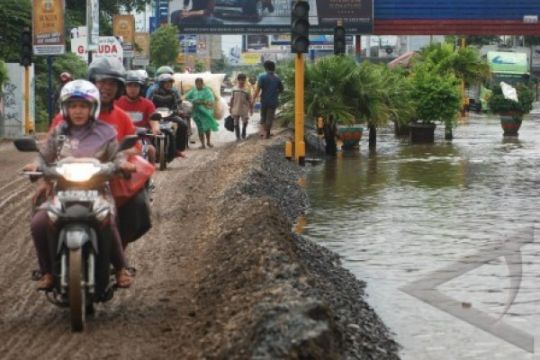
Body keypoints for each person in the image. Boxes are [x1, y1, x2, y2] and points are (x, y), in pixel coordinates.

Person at [25, 80, 135, 289]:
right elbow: (44, 156)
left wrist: (123, 164)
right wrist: (35, 165)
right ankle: (47, 272)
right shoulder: (59, 131)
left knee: (107, 220)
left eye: (83, 106)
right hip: (62, 191)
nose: (78, 111)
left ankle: (121, 268)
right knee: (39, 223)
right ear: (65, 108)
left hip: (97, 191)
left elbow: (117, 155)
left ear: (92, 108)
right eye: (73, 106)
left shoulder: (106, 132)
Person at [51, 58, 152, 250]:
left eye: (112, 83)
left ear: (119, 88)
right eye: (102, 82)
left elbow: (135, 146)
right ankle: (49, 262)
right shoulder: (69, 113)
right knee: (42, 212)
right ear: (92, 83)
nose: (106, 87)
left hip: (110, 176)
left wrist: (120, 156)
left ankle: (119, 251)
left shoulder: (121, 116)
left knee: (137, 205)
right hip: (69, 178)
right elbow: (50, 145)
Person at [116, 70, 160, 163]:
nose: (133, 89)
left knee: (151, 150)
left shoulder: (148, 104)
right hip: (121, 139)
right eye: (130, 85)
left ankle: (149, 176)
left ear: (141, 88)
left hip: (142, 138)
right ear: (125, 88)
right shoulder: (116, 103)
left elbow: (153, 119)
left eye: (136, 86)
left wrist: (155, 128)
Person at [149, 73, 189, 158]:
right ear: (161, 84)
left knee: (183, 125)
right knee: (146, 128)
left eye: (170, 83)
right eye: (166, 83)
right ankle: (146, 148)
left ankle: (178, 149)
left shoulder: (174, 93)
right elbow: (149, 104)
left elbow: (177, 105)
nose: (168, 84)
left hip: (170, 115)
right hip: (156, 116)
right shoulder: (153, 93)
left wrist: (178, 111)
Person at [252, 60, 283, 139]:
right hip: (273, 101)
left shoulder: (262, 77)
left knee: (263, 117)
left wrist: (253, 99)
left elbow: (258, 90)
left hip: (264, 100)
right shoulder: (277, 78)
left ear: (265, 68)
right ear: (274, 68)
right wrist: (275, 93)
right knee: (270, 117)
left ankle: (264, 133)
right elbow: (281, 89)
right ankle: (267, 133)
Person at [185, 77, 219, 149]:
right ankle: (202, 144)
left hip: (206, 112)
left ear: (202, 83)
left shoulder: (207, 91)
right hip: (196, 112)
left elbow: (211, 101)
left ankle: (208, 142)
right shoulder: (193, 90)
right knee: (200, 128)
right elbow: (186, 98)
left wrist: (202, 101)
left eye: (200, 83)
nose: (198, 85)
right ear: (195, 84)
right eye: (197, 84)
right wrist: (193, 100)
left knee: (207, 127)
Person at [229, 73, 252, 140]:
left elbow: (249, 99)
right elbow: (231, 99)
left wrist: (251, 108)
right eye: (240, 80)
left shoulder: (247, 90)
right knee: (236, 122)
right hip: (235, 108)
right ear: (238, 80)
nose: (241, 81)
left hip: (244, 108)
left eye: (243, 80)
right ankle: (238, 137)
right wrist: (230, 107)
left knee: (245, 121)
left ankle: (243, 133)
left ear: (245, 80)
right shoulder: (234, 89)